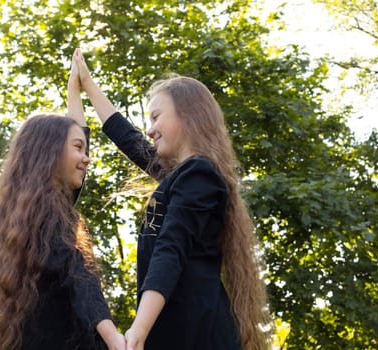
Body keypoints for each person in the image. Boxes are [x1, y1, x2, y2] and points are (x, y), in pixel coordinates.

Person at [72, 48, 272, 350]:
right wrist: (86, 85)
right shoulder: (183, 176)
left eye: (155, 117)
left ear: (188, 116)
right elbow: (129, 139)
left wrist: (138, 330)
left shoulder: (200, 175)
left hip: (199, 335)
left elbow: (171, 249)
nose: (149, 129)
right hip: (181, 333)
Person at [0, 55, 125, 350]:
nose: (87, 157)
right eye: (78, 148)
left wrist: (76, 89)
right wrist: (113, 338)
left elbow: (75, 136)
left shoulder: (28, 214)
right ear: (50, 154)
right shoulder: (50, 216)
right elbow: (79, 274)